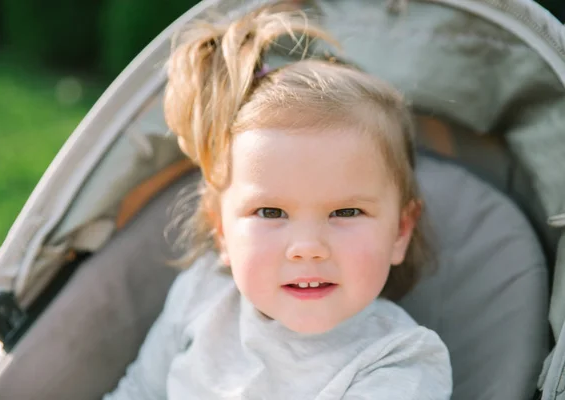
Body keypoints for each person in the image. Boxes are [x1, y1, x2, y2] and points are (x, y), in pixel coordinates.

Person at [104, 3, 452, 399]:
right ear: (221, 230)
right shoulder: (202, 294)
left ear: (400, 232)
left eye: (346, 211)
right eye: (270, 212)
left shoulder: (400, 362)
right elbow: (139, 391)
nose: (307, 248)